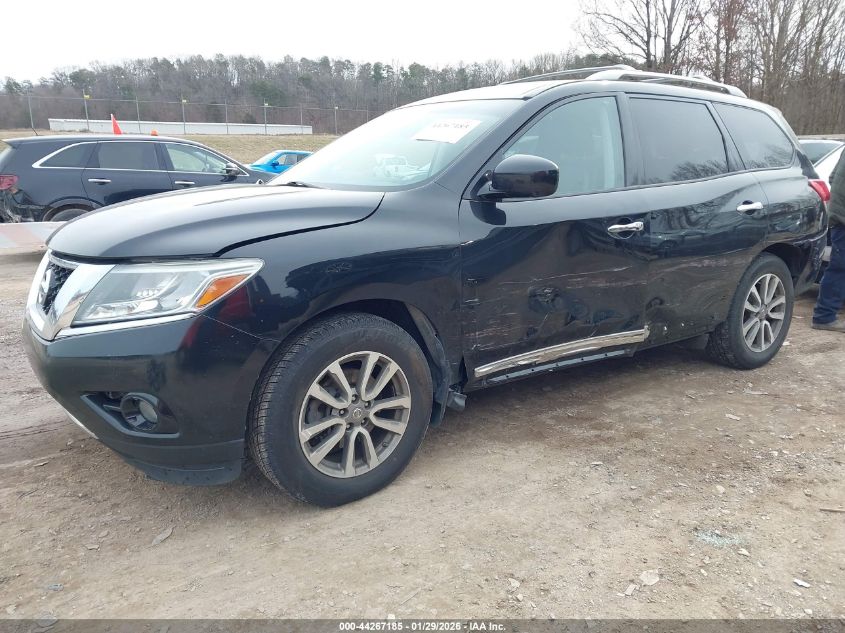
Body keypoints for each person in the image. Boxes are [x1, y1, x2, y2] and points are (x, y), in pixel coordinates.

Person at [813, 149, 845, 332]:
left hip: (838, 217)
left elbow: (832, 177)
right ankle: (824, 317)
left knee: (839, 267)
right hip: (842, 219)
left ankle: (825, 315)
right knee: (839, 269)